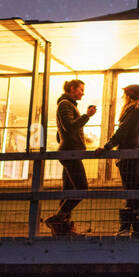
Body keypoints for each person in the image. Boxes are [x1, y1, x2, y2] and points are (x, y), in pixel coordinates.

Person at [43, 79, 95, 236]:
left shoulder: (66, 105)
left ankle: (62, 229)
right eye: (80, 89)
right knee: (82, 189)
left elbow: (61, 133)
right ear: (72, 89)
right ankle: (58, 218)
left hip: (69, 151)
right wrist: (87, 115)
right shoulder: (65, 104)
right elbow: (70, 126)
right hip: (71, 153)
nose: (83, 93)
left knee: (68, 190)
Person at [103, 83, 139, 236]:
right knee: (132, 191)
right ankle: (132, 229)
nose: (123, 97)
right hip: (136, 157)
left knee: (132, 192)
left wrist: (108, 146)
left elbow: (122, 131)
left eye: (125, 94)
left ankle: (131, 229)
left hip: (129, 158)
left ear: (129, 95)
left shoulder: (132, 111)